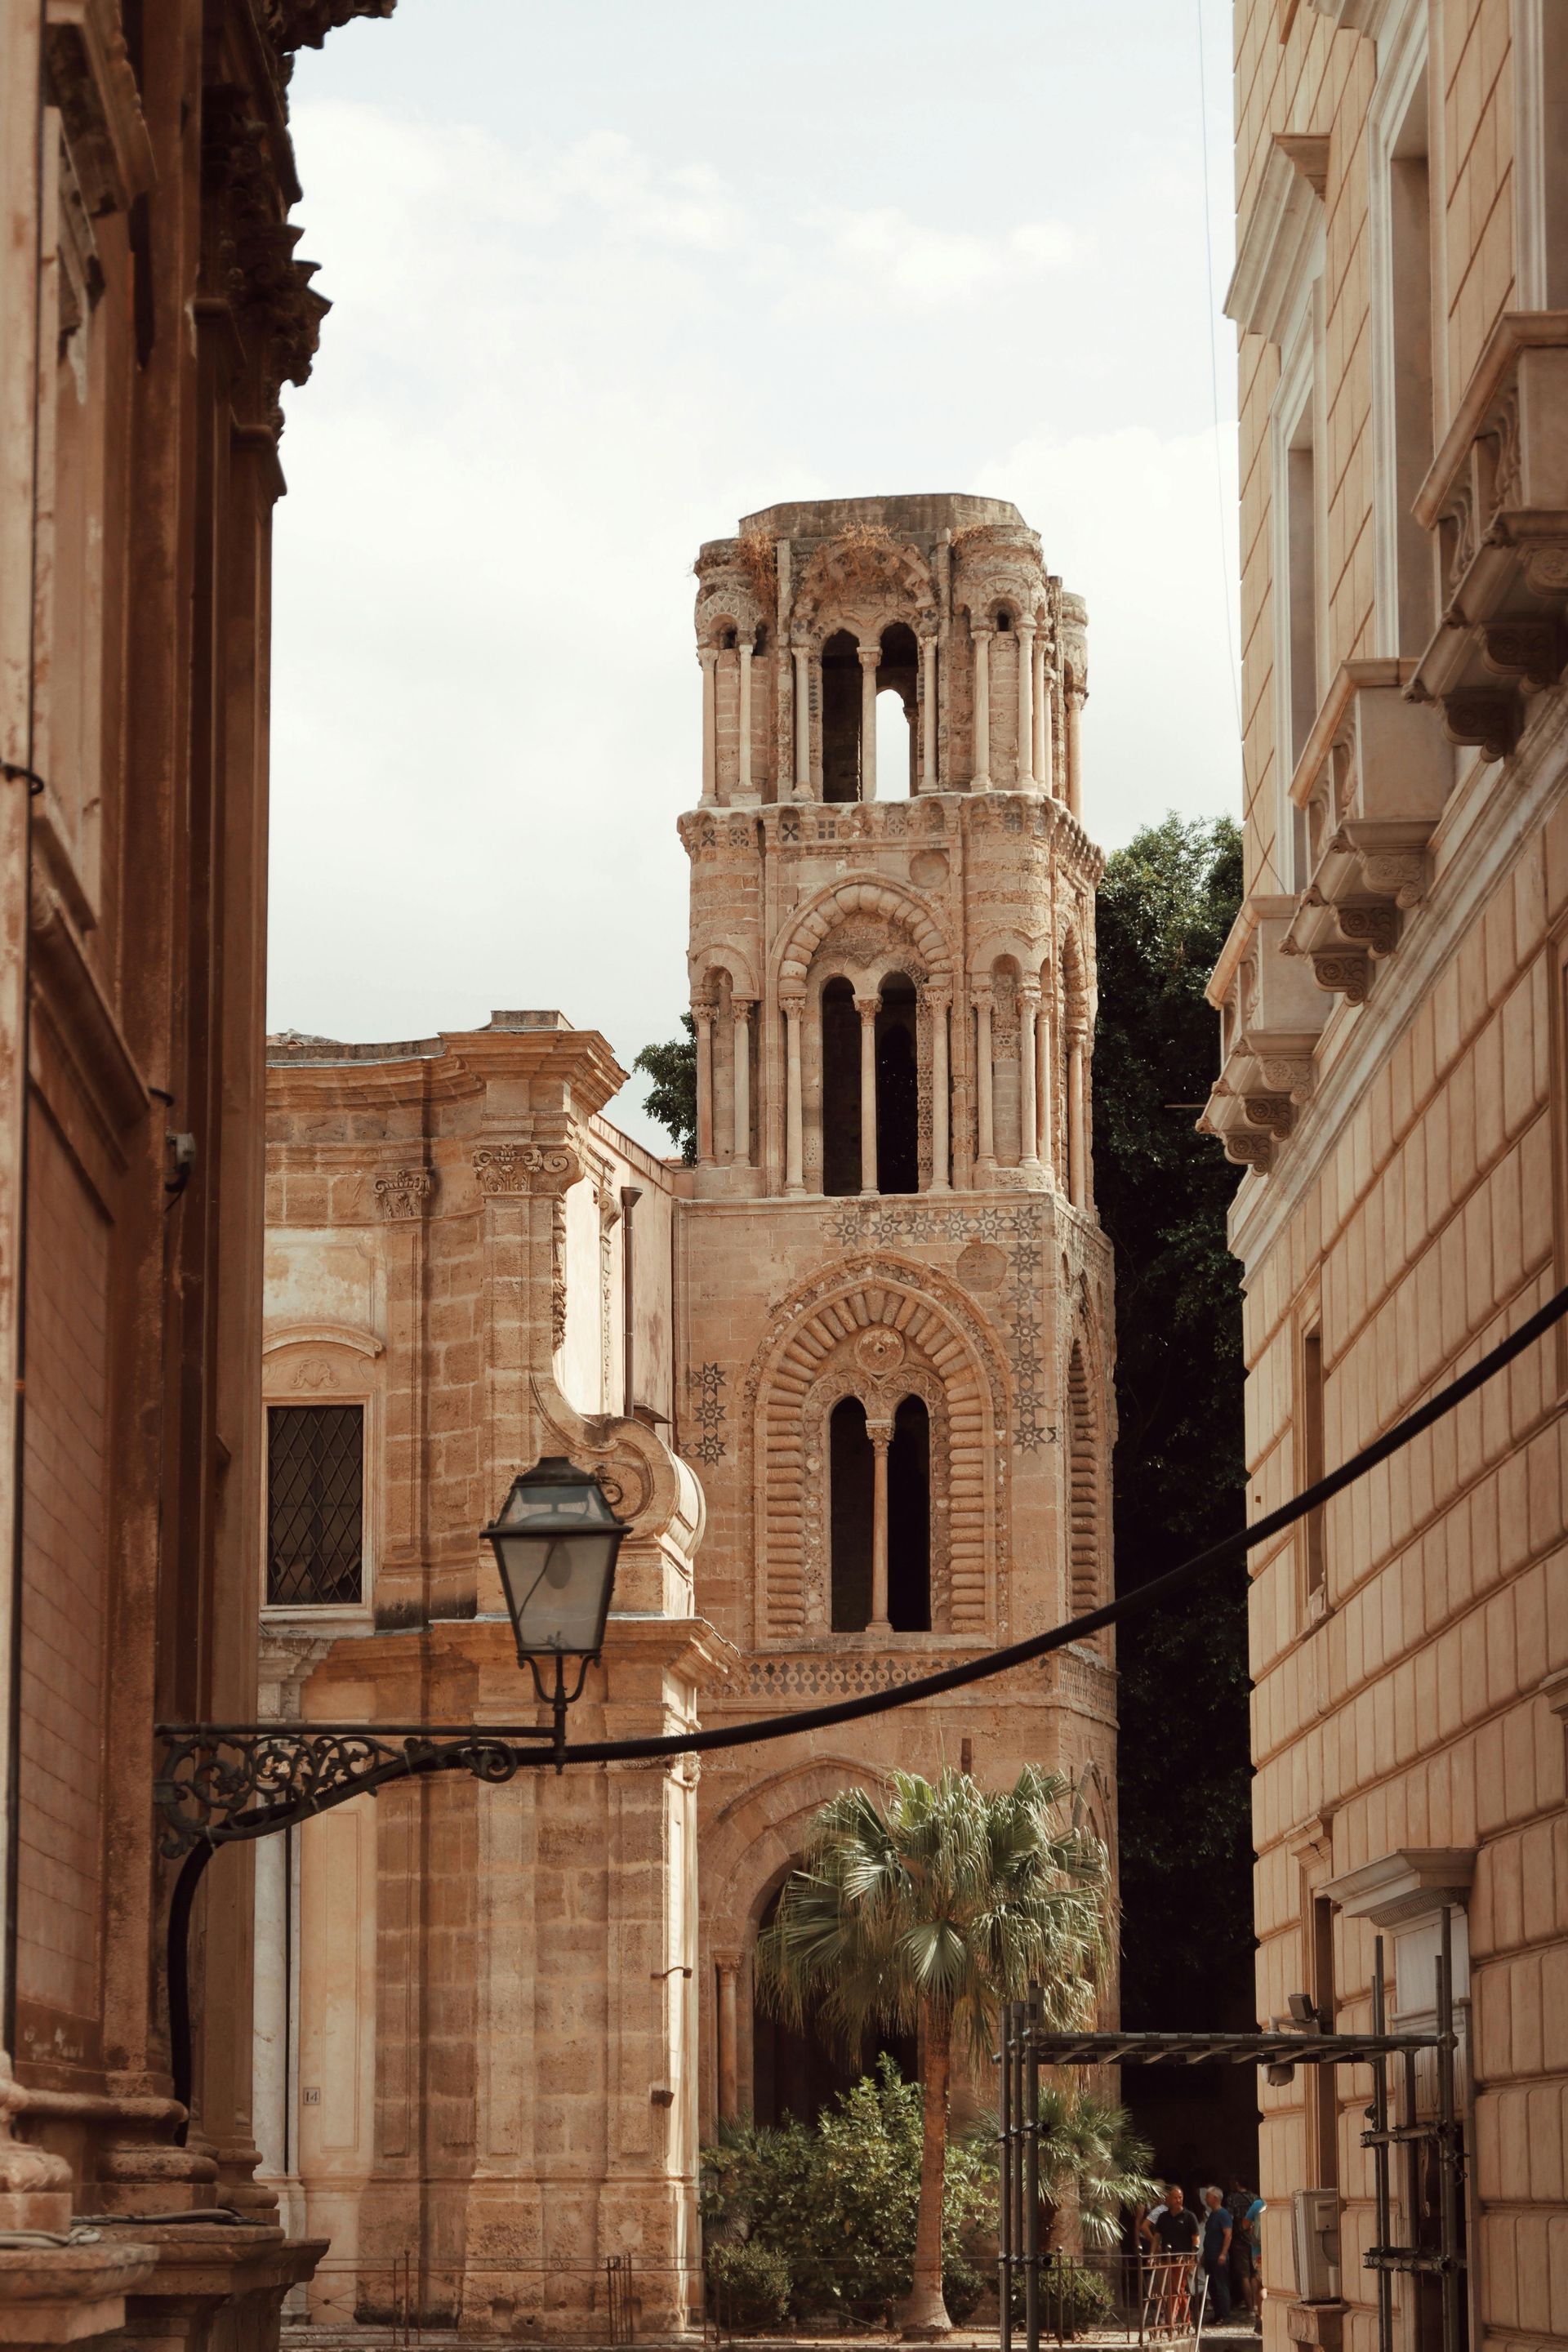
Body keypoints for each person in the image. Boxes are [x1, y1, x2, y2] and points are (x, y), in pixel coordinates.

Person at [1143, 2185, 1201, 2327]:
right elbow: (1157, 2237)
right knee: (1168, 2290)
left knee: (1176, 2289)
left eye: (1180, 2197)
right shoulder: (1163, 2217)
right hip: (1166, 2258)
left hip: (1182, 2259)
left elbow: (1196, 2238)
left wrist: (1193, 2257)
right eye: (1175, 2197)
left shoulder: (1189, 2216)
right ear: (1169, 2199)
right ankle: (1186, 2321)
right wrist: (1152, 2255)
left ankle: (1171, 2321)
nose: (1178, 2200)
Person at [1225, 2177, 1262, 2328]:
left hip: (1239, 2241)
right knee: (1254, 2274)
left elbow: (1230, 2218)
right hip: (1255, 2242)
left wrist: (1236, 2231)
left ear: (1236, 2183)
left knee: (1243, 2275)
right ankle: (1256, 2306)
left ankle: (1250, 2308)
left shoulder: (1232, 2198)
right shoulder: (1256, 2198)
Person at [1200, 2187, 1232, 2323]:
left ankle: (1225, 2315)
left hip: (1219, 2255)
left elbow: (1228, 2235)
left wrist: (1223, 2253)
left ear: (1215, 2198)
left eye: (1208, 2196)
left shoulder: (1223, 2214)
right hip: (1210, 2256)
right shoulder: (1212, 2214)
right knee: (1212, 2286)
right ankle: (1217, 2314)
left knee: (1221, 2286)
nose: (1206, 2199)